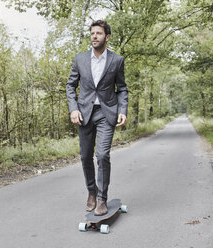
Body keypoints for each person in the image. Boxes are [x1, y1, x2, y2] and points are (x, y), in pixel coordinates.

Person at [66, 20, 128, 216]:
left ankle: (102, 198)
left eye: (99, 33)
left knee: (102, 155)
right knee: (85, 156)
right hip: (84, 114)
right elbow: (70, 86)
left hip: (106, 113)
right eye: (92, 33)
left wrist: (122, 110)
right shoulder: (80, 59)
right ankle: (92, 192)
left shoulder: (116, 60)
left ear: (107, 37)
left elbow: (122, 88)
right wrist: (73, 109)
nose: (94, 36)